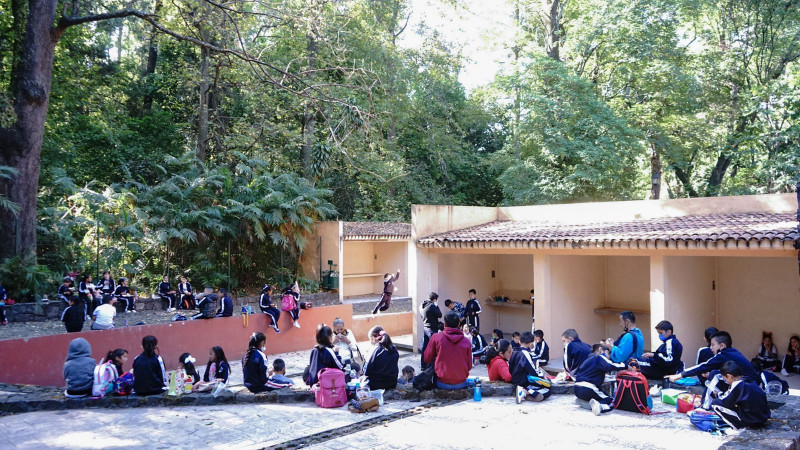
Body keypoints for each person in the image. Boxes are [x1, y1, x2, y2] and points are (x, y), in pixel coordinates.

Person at [667, 331, 759, 409]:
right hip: (751, 385)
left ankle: (705, 406)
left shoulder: (723, 355)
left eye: (713, 345)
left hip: (746, 387)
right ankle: (715, 401)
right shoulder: (732, 352)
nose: (710, 347)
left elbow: (703, 366)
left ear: (722, 345)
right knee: (715, 374)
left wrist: (680, 375)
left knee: (715, 375)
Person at [706, 361, 770, 430]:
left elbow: (726, 402)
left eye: (725, 378)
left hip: (752, 421)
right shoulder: (750, 381)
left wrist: (718, 395)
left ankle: (736, 428)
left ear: (729, 376)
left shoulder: (737, 384)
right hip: (763, 418)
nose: (726, 381)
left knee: (715, 403)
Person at [573, 343, 626, 415]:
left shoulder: (587, 360)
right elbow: (610, 365)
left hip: (577, 389)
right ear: (600, 349)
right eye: (608, 353)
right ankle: (600, 406)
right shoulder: (599, 357)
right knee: (611, 401)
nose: (608, 357)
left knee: (601, 395)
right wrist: (624, 365)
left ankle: (585, 402)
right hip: (588, 388)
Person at [423, 312, 472, 389]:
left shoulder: (436, 337)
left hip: (442, 382)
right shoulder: (466, 341)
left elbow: (426, 358)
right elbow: (469, 366)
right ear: (459, 325)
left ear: (444, 324)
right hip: (461, 383)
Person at [510, 332, 551, 402]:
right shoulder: (525, 354)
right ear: (530, 343)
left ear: (520, 341)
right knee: (548, 389)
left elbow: (510, 368)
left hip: (515, 380)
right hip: (523, 382)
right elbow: (532, 370)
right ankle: (525, 392)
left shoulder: (515, 351)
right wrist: (542, 377)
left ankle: (527, 393)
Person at [363, 326, 400, 390]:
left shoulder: (374, 350)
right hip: (392, 383)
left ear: (373, 338)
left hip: (376, 385)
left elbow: (366, 372)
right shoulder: (394, 348)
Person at [419, 292, 442, 370]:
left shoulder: (421, 305)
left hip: (425, 328)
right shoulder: (432, 306)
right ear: (434, 299)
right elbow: (440, 314)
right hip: (432, 329)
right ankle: (431, 367)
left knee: (425, 347)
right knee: (433, 348)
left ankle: (423, 365)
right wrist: (436, 305)